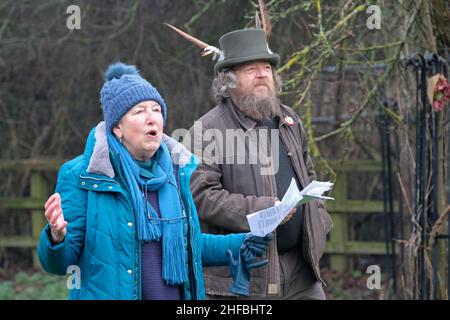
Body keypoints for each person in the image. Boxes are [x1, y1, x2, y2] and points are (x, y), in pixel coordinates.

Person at [37, 62, 272, 300]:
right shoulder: (83, 174)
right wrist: (56, 237)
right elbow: (59, 264)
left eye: (156, 110)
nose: (152, 118)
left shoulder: (177, 171)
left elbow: (187, 243)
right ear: (117, 127)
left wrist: (242, 243)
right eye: (139, 111)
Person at [187, 29, 333, 299]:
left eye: (266, 67)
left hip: (302, 271)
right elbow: (201, 196)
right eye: (251, 68)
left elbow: (308, 173)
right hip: (247, 275)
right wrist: (265, 211)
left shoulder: (288, 119)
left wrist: (319, 221)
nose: (263, 73)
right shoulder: (206, 130)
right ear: (228, 81)